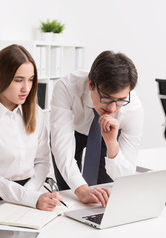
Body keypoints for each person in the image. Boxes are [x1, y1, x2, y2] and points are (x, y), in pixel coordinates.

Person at [0, 44, 63, 211]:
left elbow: (42, 162)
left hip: (29, 192)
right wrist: (28, 198)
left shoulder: (37, 113)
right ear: (1, 78)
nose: (26, 88)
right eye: (18, 80)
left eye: (31, 79)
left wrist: (29, 195)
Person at [50, 50, 143, 207]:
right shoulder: (66, 87)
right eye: (107, 98)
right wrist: (81, 190)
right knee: (68, 193)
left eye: (120, 100)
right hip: (73, 132)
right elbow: (62, 149)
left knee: (103, 194)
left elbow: (126, 176)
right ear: (91, 84)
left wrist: (112, 145)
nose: (112, 108)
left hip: (108, 134)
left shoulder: (132, 108)